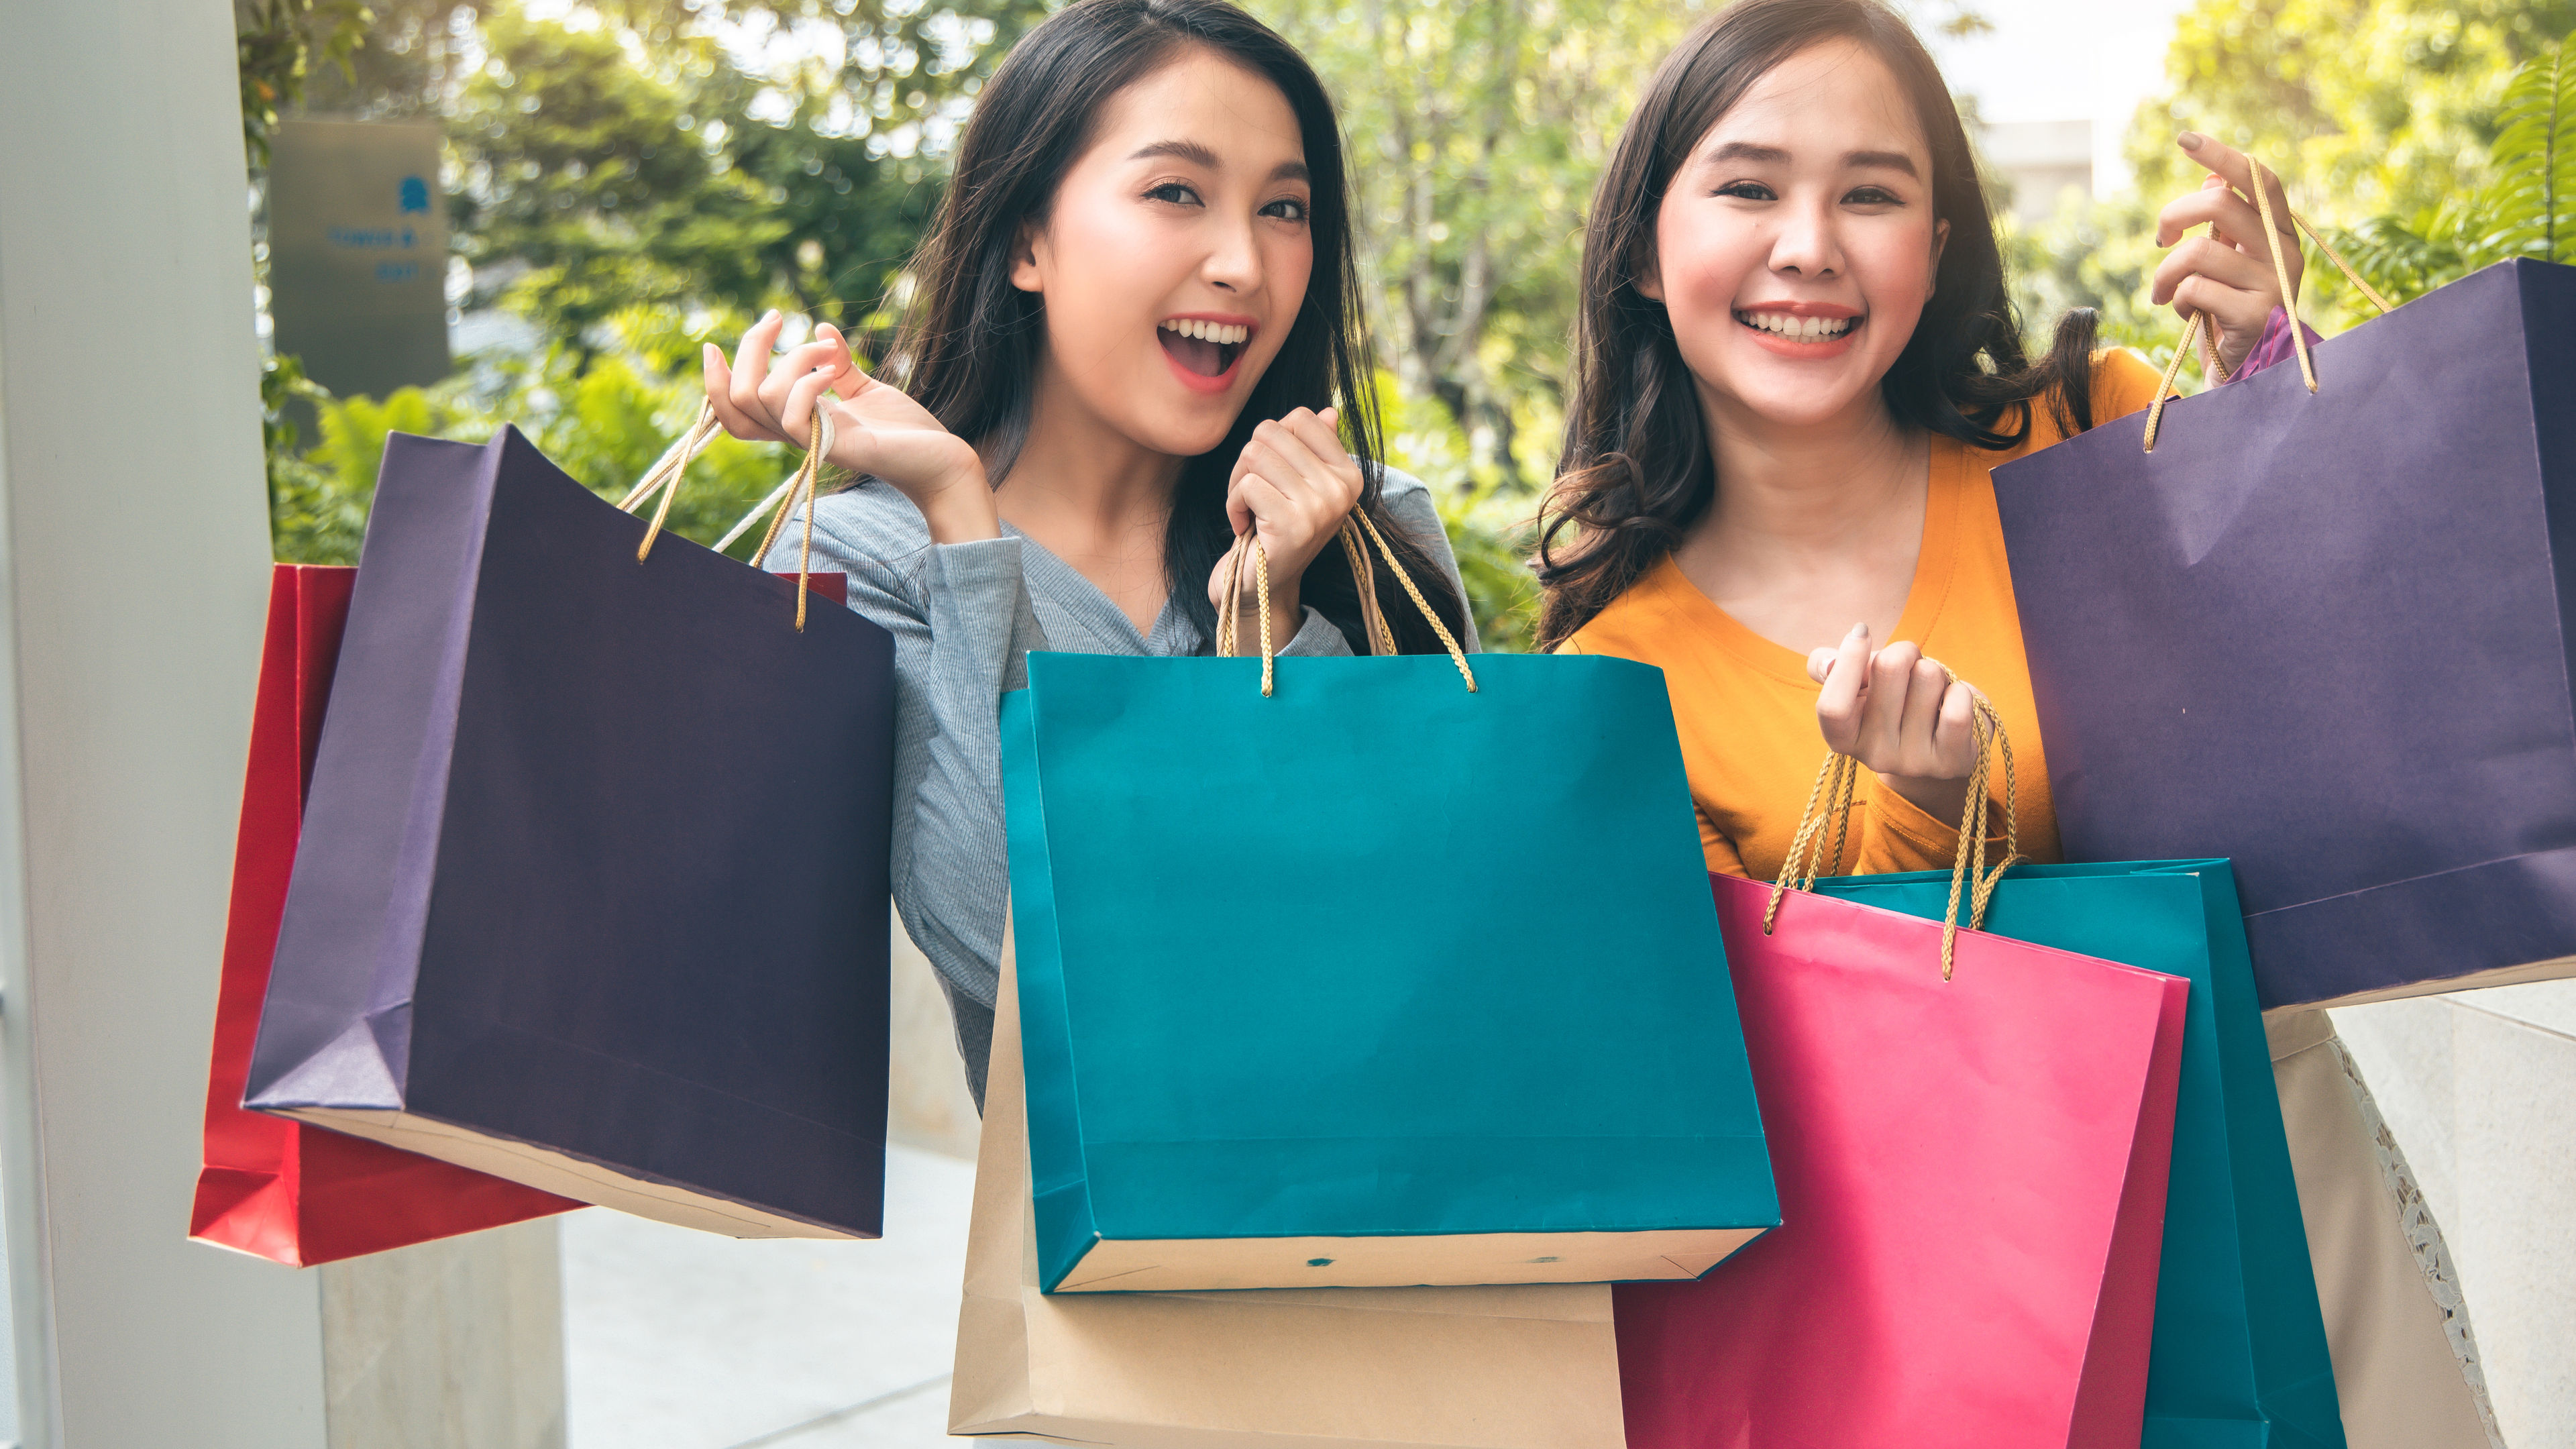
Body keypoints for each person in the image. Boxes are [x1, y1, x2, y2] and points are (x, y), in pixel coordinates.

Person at [1535, 3, 2498, 1445]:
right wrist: (1936, 821)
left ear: (1938, 246)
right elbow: (1737, 1093)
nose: (1811, 244)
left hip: (2274, 1192)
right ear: (1641, 247)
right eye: (1749, 186)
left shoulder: (2092, 437)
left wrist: (2283, 385)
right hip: (1945, 1309)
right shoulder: (1616, 680)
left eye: (1872, 192)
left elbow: (2379, 702)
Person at [700, 0, 1474, 1106]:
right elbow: (1006, 950)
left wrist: (1272, 630)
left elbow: (1412, 936)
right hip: (1092, 1271)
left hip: (1434, 1244)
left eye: (1286, 209)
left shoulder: (1371, 529)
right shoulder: (870, 559)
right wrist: (963, 521)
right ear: (1027, 240)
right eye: (1176, 193)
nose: (1245, 263)